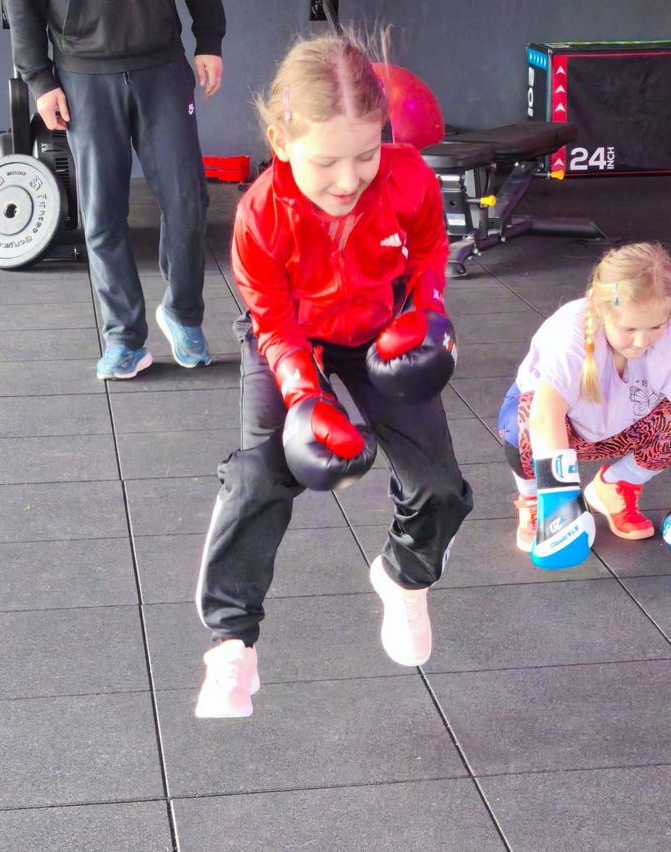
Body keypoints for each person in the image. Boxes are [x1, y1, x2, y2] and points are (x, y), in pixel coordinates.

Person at [193, 33, 473, 718]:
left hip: (380, 329)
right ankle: (232, 645)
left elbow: (431, 248)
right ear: (281, 141)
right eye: (327, 161)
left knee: (440, 488)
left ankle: (404, 577)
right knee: (263, 475)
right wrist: (303, 396)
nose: (349, 179)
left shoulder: (407, 177)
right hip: (290, 336)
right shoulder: (261, 213)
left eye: (366, 154)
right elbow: (271, 317)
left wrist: (429, 312)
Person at [4, 0, 225, 379]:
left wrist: (209, 39)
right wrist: (39, 78)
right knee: (103, 211)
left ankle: (183, 315)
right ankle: (125, 338)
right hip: (83, 72)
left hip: (161, 65)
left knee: (187, 200)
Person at [498, 242, 671, 569]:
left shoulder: (670, 340)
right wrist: (558, 499)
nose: (643, 340)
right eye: (630, 329)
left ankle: (616, 486)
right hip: (557, 430)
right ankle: (536, 498)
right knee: (520, 421)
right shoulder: (573, 334)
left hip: (621, 426)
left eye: (655, 326)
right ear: (601, 310)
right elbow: (544, 416)